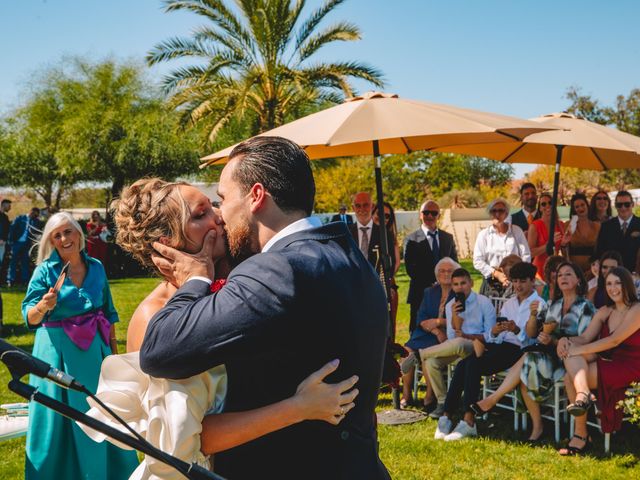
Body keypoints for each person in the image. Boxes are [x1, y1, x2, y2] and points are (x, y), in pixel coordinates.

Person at [139, 137, 391, 480]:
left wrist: (195, 280)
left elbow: (160, 349)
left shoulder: (276, 270)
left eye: (223, 200)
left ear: (256, 197)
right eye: (206, 211)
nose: (220, 217)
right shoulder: (347, 251)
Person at [82, 178, 359, 478]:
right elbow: (194, 438)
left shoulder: (243, 281)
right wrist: (299, 407)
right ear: (166, 243)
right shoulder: (158, 319)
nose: (218, 215)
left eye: (213, 203)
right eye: (200, 214)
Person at [21, 212, 139, 479]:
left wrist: (114, 357)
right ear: (51, 241)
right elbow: (29, 316)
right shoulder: (45, 271)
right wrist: (43, 306)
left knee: (102, 412)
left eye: (68, 232)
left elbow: (108, 312)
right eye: (57, 235)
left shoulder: (96, 266)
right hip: (57, 354)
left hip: (95, 354)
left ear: (79, 234)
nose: (64, 239)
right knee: (56, 421)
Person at [473, 262, 595, 442]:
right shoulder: (554, 305)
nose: (563, 278)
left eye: (568, 274)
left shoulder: (585, 306)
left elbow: (586, 339)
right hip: (550, 354)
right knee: (526, 366)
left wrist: (555, 340)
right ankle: (537, 426)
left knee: (527, 362)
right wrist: (544, 335)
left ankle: (494, 399)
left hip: (572, 358)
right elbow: (536, 333)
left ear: (578, 280)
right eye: (560, 275)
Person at [437, 262, 542, 441]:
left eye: (523, 281)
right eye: (515, 281)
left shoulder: (539, 304)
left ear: (533, 281)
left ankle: (469, 420)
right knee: (465, 364)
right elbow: (496, 336)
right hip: (502, 345)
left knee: (473, 365)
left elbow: (534, 339)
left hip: (521, 350)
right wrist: (494, 332)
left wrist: (516, 330)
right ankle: (447, 416)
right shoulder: (509, 304)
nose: (518, 285)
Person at [558, 266, 640, 455]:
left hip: (631, 365)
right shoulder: (605, 311)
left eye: (618, 283)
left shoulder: (636, 309)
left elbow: (615, 340)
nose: (613, 288)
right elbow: (585, 338)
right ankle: (584, 394)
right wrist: (567, 341)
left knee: (569, 377)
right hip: (610, 362)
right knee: (571, 354)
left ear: (627, 284)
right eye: (609, 284)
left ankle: (580, 435)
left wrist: (576, 350)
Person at [417, 268, 496, 419]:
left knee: (460, 342)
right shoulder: (451, 305)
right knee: (431, 362)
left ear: (471, 283)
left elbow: (491, 335)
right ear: (452, 287)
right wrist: (455, 317)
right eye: (456, 284)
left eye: (463, 283)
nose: (460, 287)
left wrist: (469, 336)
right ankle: (442, 402)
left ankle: (419, 354)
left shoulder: (483, 302)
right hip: (457, 347)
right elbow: (452, 337)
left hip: (479, 347)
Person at [400, 257, 460, 410]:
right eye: (442, 271)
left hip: (447, 335)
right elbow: (421, 317)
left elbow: (461, 320)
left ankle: (429, 395)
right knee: (406, 352)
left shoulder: (459, 292)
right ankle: (406, 394)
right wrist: (435, 330)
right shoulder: (430, 291)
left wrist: (439, 323)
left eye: (449, 271)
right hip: (425, 333)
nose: (445, 274)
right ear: (436, 274)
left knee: (429, 355)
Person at [404, 200, 458, 332]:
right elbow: (411, 269)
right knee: (418, 329)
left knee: (445, 330)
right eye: (426, 212)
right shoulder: (411, 239)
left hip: (446, 292)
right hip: (420, 292)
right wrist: (434, 283)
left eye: (433, 213)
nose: (429, 216)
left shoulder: (448, 238)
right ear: (420, 215)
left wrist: (443, 284)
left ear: (438, 216)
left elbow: (455, 264)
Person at [473, 198, 531, 296]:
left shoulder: (516, 231)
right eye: (493, 211)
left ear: (506, 213)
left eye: (501, 210)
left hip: (515, 283)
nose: (497, 214)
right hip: (491, 283)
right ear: (490, 214)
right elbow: (477, 261)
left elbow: (526, 255)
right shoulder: (484, 235)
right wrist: (496, 273)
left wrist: (517, 275)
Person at [349, 191, 395, 283]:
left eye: (365, 205)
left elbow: (391, 265)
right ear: (353, 208)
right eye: (358, 206)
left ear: (372, 206)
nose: (362, 209)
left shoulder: (385, 234)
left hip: (377, 289)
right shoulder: (346, 233)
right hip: (352, 289)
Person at [595, 190, 640, 272]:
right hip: (612, 274)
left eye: (627, 204)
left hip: (636, 275)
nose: (623, 208)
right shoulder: (606, 226)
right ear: (615, 206)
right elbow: (600, 252)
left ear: (632, 204)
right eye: (619, 205)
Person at [373, 201, 401, 328]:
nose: (383, 218)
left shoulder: (391, 237)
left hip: (388, 285)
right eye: (380, 214)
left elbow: (396, 263)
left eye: (387, 216)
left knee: (389, 325)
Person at [561, 193, 601, 274]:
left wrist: (592, 270)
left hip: (593, 270)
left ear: (587, 206)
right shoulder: (567, 226)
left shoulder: (597, 226)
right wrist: (563, 244)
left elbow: (600, 250)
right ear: (574, 210)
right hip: (574, 270)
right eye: (577, 207)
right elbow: (564, 250)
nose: (580, 208)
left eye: (582, 205)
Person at [528, 193, 565, 279]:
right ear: (540, 208)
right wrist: (548, 244)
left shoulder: (560, 225)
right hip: (540, 269)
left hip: (557, 268)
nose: (547, 206)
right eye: (543, 204)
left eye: (550, 203)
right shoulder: (535, 226)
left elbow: (563, 250)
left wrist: (565, 244)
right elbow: (530, 252)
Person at [8, 207, 43, 286]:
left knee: (25, 262)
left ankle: (25, 280)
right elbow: (12, 229)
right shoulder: (20, 218)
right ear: (31, 211)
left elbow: (37, 232)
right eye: (34, 214)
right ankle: (10, 280)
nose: (35, 216)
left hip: (27, 245)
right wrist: (11, 242)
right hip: (17, 243)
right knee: (13, 262)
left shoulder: (35, 221)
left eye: (36, 215)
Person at [0, 199, 11, 266]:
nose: (10, 207)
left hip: (3, 242)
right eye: (9, 205)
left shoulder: (5, 217)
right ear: (4, 205)